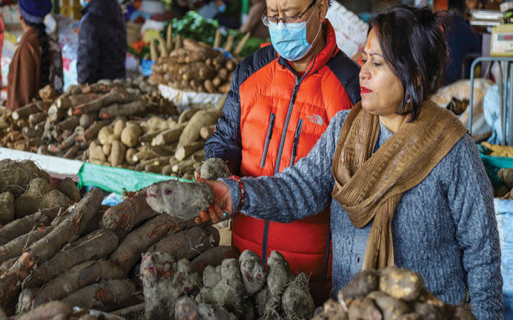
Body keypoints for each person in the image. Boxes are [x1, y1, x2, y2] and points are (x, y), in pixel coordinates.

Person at [198, 5, 502, 319]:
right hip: (353, 311)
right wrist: (237, 193)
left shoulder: (452, 148)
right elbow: (298, 189)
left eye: (378, 63)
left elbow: (482, 251)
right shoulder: (345, 128)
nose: (364, 72)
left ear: (414, 75)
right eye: (365, 59)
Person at [203, 0, 360, 305]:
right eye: (273, 16)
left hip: (312, 280)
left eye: (291, 15)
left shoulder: (350, 85)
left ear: (322, 8)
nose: (281, 25)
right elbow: (225, 139)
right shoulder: (251, 70)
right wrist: (216, 169)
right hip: (244, 267)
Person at [7, 0, 64, 110]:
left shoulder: (27, 47)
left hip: (31, 123)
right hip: (54, 120)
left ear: (20, 17)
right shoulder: (54, 44)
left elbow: (19, 103)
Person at [77, 0, 126, 84]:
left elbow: (86, 60)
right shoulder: (117, 12)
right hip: (117, 83)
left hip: (98, 86)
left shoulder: (89, 21)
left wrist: (83, 88)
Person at [444, 0, 481, 85]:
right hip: (461, 83)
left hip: (439, 84)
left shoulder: (441, 29)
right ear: (465, 10)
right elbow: (479, 56)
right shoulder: (470, 31)